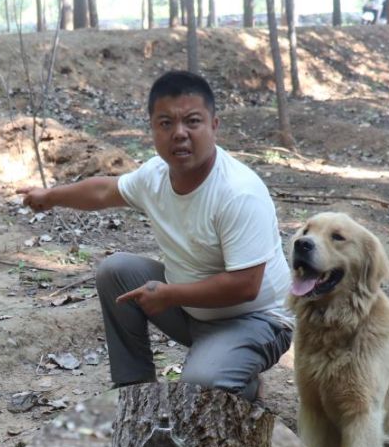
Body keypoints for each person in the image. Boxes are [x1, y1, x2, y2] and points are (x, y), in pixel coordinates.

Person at [17, 70, 292, 402]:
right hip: (192, 311)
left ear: (214, 126)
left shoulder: (238, 192)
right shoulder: (155, 175)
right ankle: (135, 392)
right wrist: (50, 196)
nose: (179, 134)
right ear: (152, 129)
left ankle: (241, 380)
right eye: (166, 124)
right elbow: (104, 191)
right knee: (115, 271)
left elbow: (246, 285)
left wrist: (171, 295)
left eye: (192, 122)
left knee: (202, 386)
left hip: (256, 320)